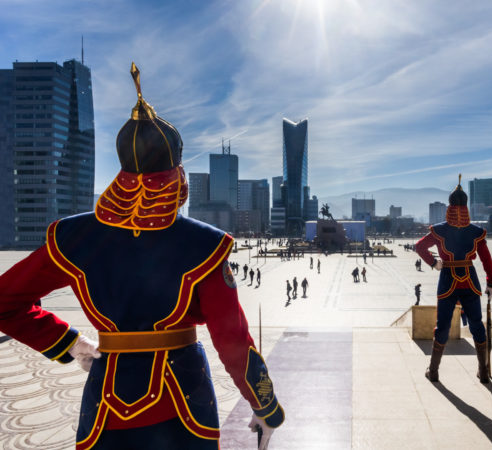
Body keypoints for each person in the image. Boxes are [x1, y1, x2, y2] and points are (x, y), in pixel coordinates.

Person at [0, 64, 283, 450]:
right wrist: (265, 405)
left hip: (105, 408)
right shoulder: (203, 244)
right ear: (177, 170)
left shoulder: (73, 237)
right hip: (183, 404)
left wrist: (68, 342)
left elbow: (4, 301)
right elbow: (232, 340)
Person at [415, 175, 492, 384]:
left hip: (447, 281)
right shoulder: (475, 232)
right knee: (477, 325)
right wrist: (490, 283)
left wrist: (434, 264)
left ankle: (433, 371)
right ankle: (483, 371)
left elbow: (419, 246)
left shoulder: (440, 230)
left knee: (442, 327)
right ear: (466, 205)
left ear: (449, 205)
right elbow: (487, 260)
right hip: (470, 281)